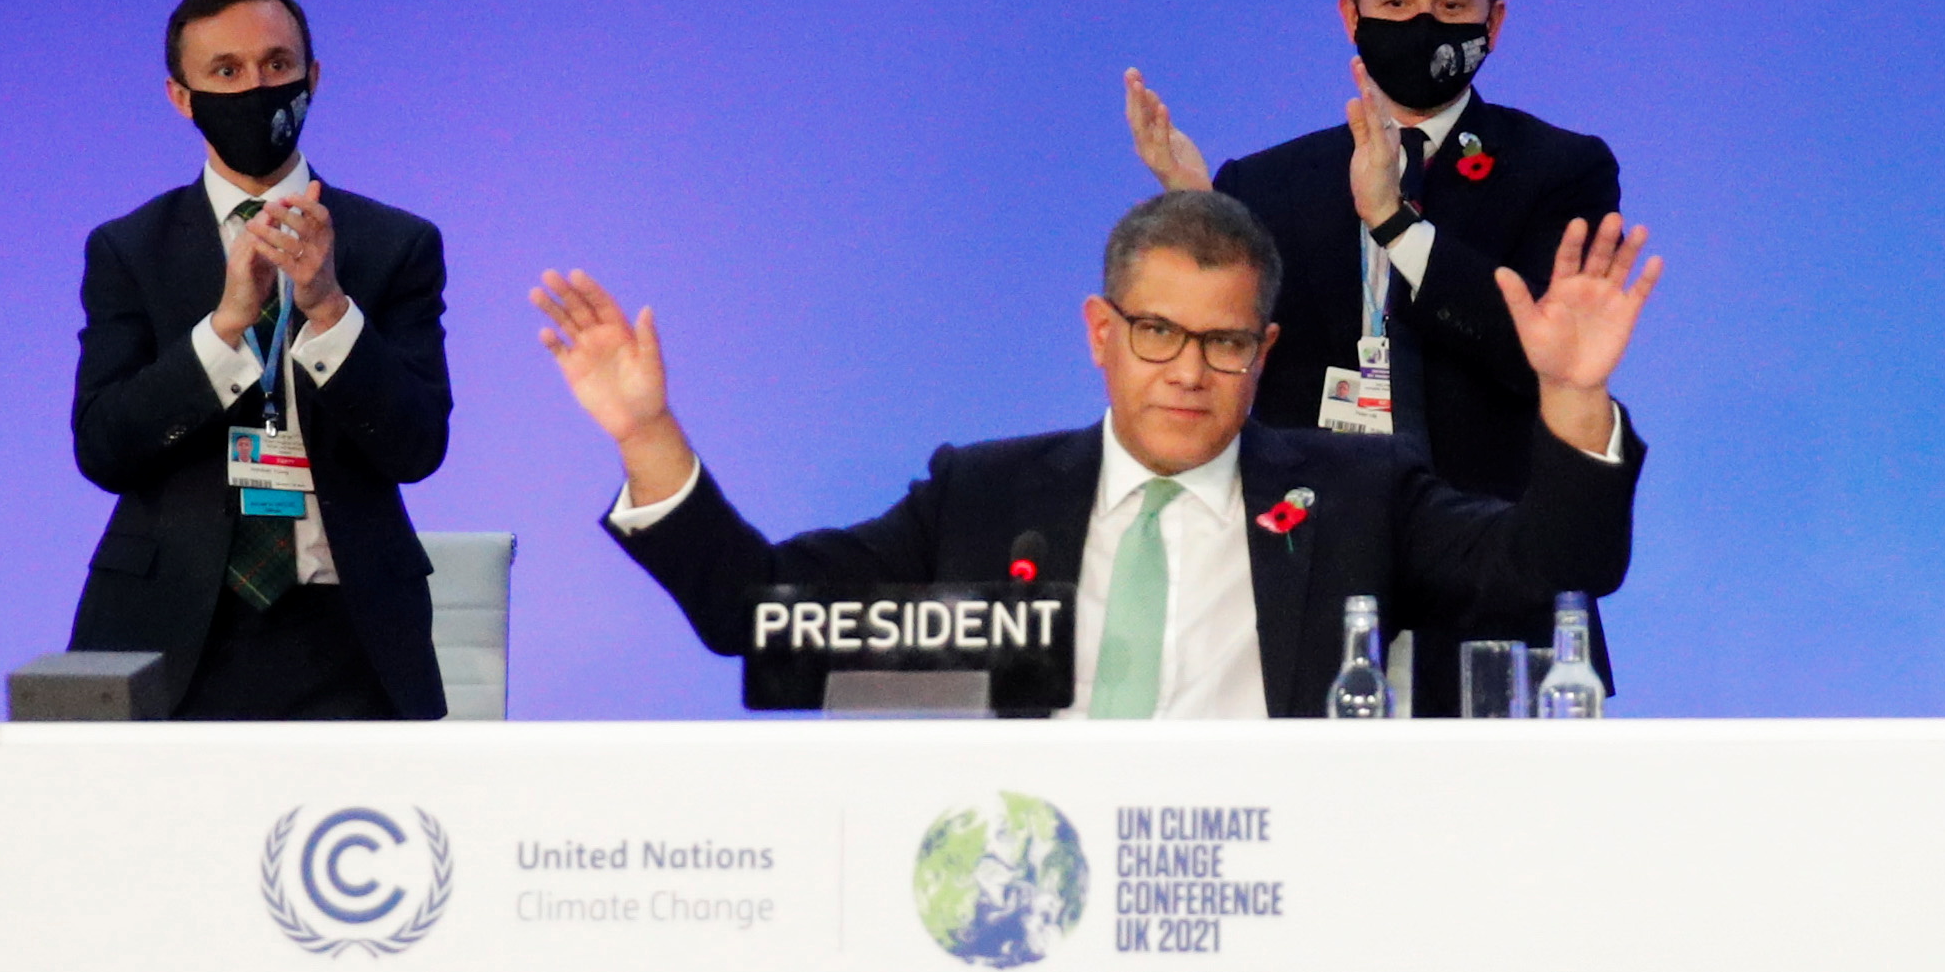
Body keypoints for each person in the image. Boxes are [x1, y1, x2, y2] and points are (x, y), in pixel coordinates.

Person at [533, 188, 1654, 717]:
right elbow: (760, 614)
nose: (1186, 369)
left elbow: (1544, 567)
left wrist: (1571, 393)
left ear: (1264, 350)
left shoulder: (1351, 491)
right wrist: (645, 434)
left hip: (1285, 887)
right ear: (1100, 333)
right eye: (1156, 331)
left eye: (1222, 341)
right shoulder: (986, 494)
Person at [1123, 0, 1626, 709]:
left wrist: (1394, 222)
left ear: (1493, 25)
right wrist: (1196, 206)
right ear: (1350, 15)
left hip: (1491, 591)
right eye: (1395, 2)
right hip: (1307, 594)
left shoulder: (1559, 170)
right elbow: (1228, 362)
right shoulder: (1267, 183)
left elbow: (1533, 350)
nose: (1422, 23)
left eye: (1449, 4)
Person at [70, 0, 455, 719]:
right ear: (181, 97)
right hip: (169, 628)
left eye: (277, 66)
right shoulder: (128, 250)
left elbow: (418, 446)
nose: (256, 87)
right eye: (226, 71)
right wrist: (222, 329)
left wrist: (329, 309)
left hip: (353, 633)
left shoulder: (395, 244)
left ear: (311, 78)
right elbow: (103, 447)